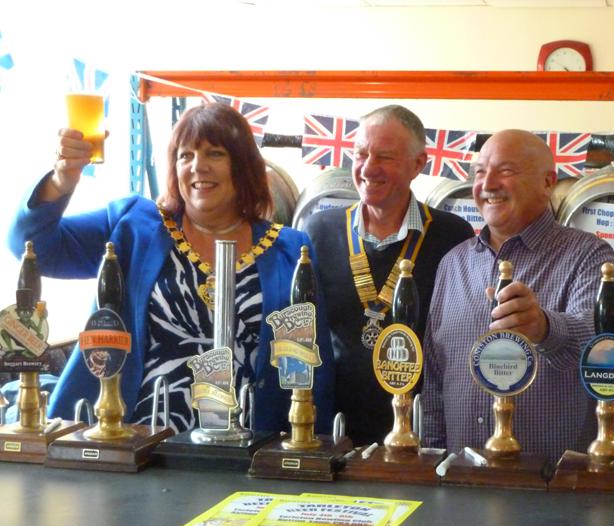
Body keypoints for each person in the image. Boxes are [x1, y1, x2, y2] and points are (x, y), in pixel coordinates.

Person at [7, 102, 335, 434]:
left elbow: (311, 365)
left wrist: (313, 445)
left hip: (247, 444)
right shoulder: (134, 224)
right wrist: (61, 181)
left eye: (215, 154)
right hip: (130, 437)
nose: (198, 166)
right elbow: (32, 248)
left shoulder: (291, 250)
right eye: (185, 155)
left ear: (244, 166)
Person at [421, 129, 614, 463]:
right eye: (480, 172)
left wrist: (543, 327)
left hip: (552, 486)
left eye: (506, 171)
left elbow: (602, 351)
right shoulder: (453, 263)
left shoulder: (590, 255)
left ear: (547, 183)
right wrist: (432, 458)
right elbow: (435, 381)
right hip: (459, 478)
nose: (488, 183)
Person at [303, 105, 474, 446]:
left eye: (384, 156)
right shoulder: (320, 230)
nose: (368, 168)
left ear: (417, 164)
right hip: (335, 426)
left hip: (424, 429)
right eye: (361, 154)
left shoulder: (452, 234)